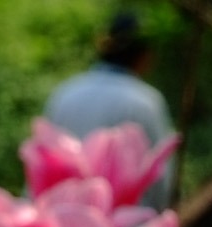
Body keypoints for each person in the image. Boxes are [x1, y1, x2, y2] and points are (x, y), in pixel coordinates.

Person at [42, 10, 176, 206]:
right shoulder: (146, 102)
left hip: (60, 221)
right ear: (144, 56)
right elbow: (161, 182)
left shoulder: (65, 94)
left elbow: (40, 168)